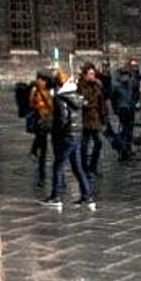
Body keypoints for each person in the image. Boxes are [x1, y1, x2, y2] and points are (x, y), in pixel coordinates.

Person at [46, 71, 95, 210]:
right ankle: (87, 196)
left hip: (66, 135)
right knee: (77, 166)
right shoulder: (76, 96)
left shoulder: (60, 98)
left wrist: (57, 133)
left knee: (58, 165)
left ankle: (55, 197)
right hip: (77, 134)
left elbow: (62, 118)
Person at [77, 64, 109, 177]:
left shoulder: (97, 86)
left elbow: (101, 102)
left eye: (93, 74)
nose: (93, 76)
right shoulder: (80, 86)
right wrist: (86, 103)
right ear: (85, 75)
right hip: (85, 119)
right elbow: (81, 101)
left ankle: (93, 166)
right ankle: (84, 168)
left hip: (95, 118)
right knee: (84, 145)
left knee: (98, 142)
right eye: (90, 74)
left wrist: (104, 117)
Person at [28, 72, 53, 177]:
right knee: (43, 143)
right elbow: (31, 103)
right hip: (40, 119)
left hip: (46, 118)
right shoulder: (36, 90)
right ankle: (41, 166)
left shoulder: (46, 90)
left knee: (42, 141)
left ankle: (36, 154)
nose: (41, 82)